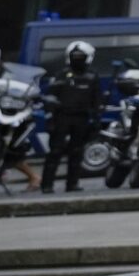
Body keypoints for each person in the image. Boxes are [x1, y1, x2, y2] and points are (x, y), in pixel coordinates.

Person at [38, 40, 102, 193]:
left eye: (81, 56)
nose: (77, 59)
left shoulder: (92, 76)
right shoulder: (62, 74)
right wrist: (50, 118)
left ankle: (72, 184)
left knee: (77, 152)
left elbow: (96, 99)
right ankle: (47, 185)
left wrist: (96, 119)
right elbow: (51, 97)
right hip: (62, 116)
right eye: (75, 56)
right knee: (55, 152)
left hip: (82, 117)